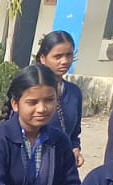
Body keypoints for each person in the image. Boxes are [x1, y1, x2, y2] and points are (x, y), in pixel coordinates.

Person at [36, 31, 85, 167]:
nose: (65, 61)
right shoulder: (29, 92)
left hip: (62, 166)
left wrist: (75, 148)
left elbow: (74, 133)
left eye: (69, 55)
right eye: (57, 56)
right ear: (43, 58)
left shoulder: (74, 93)